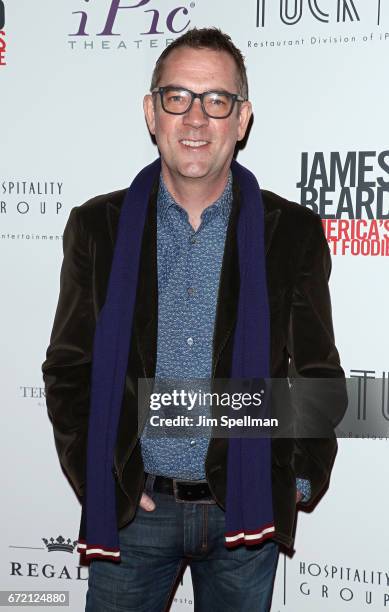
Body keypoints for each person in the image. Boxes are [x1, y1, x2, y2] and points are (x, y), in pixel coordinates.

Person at [42, 27, 347, 612]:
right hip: (136, 515)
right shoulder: (96, 228)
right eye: (177, 97)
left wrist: (296, 479)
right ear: (151, 112)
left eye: (217, 100)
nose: (196, 118)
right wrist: (100, 480)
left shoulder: (293, 234)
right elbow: (69, 368)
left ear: (243, 118)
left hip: (245, 511)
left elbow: (316, 371)